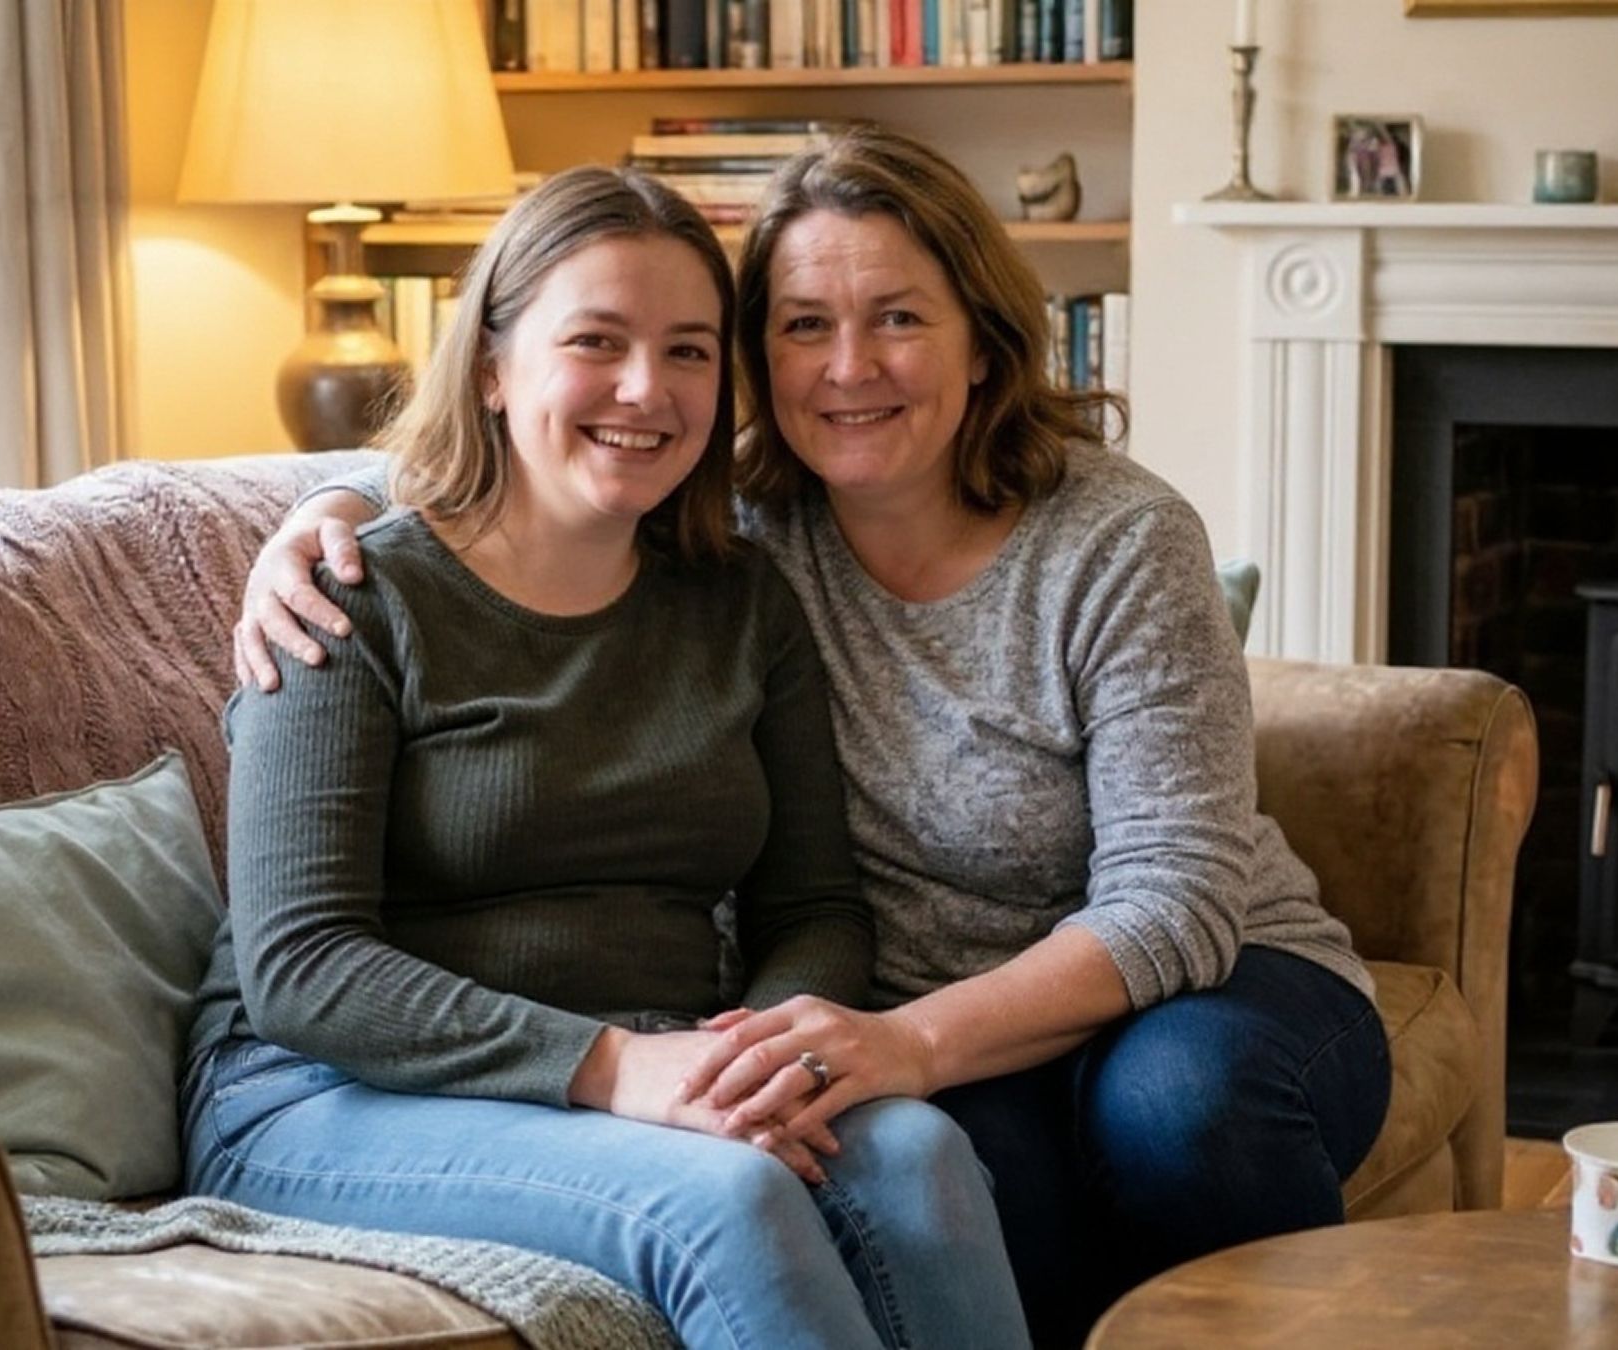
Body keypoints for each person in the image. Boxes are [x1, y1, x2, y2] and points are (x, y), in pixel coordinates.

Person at [239, 131, 1390, 1345]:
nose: (849, 368)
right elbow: (519, 463)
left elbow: (1175, 902)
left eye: (897, 318)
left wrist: (888, 1045)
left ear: (985, 342)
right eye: (800, 327)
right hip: (896, 1026)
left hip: (1183, 993)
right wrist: (322, 510)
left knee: (1173, 1108)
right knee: (949, 1172)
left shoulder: (1107, 541)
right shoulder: (738, 521)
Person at [184, 164, 1030, 1350]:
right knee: (729, 1202)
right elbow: (302, 966)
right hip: (326, 1096)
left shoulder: (742, 603)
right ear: (491, 364)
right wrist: (614, 1067)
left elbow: (817, 906)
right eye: (597, 341)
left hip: (659, 1066)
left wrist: (758, 1061)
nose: (647, 389)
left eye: (689, 351)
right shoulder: (350, 600)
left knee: (921, 1158)